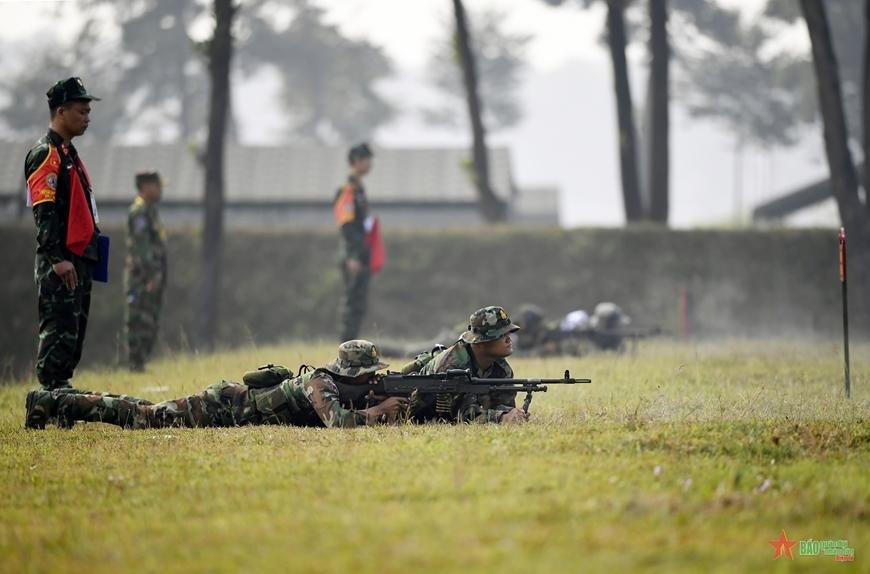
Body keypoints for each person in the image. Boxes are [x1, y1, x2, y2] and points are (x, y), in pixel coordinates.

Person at [24, 340, 409, 430]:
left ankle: (56, 400)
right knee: (142, 416)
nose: (374, 377)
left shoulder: (333, 384)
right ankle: (51, 401)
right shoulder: (320, 383)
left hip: (229, 402)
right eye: (369, 373)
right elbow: (339, 424)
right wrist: (376, 413)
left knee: (137, 406)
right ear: (351, 373)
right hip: (220, 406)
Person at [24, 77, 101, 390]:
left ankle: (61, 399)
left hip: (77, 259)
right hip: (61, 263)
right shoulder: (46, 154)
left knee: (73, 334)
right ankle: (47, 403)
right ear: (60, 112)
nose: (87, 117)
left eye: (87, 112)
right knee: (58, 333)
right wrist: (57, 258)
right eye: (81, 111)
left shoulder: (69, 153)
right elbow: (44, 212)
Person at [411, 306, 529, 425]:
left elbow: (503, 403)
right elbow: (462, 416)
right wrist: (501, 418)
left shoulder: (501, 366)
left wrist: (512, 414)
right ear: (480, 342)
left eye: (508, 332)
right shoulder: (453, 365)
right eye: (501, 335)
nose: (509, 339)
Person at [124, 171, 167, 372]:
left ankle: (141, 363)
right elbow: (142, 248)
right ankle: (135, 364)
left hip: (151, 277)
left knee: (150, 321)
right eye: (157, 186)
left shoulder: (150, 211)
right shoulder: (139, 212)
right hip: (141, 279)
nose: (160, 190)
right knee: (138, 320)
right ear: (146, 187)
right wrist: (151, 275)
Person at [333, 142, 375, 341]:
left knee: (359, 304)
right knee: (352, 303)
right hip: (353, 256)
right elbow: (347, 225)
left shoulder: (358, 189)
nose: (370, 164)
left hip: (361, 254)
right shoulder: (348, 190)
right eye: (367, 159)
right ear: (357, 161)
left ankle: (352, 347)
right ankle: (345, 348)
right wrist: (352, 256)